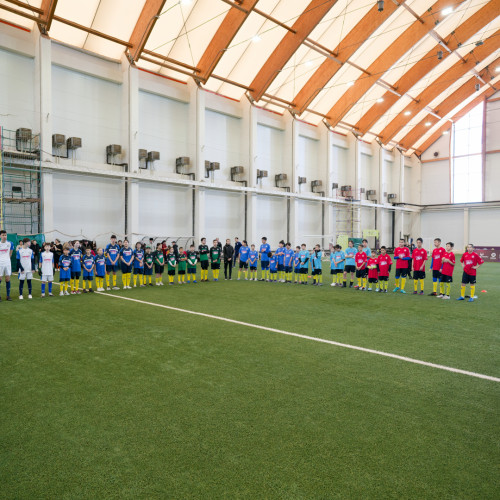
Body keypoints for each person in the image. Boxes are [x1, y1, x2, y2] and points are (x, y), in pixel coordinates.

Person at [0, 229, 13, 301]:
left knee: (7, 278)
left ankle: (8, 296)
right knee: (0, 279)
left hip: (7, 263)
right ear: (0, 236)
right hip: (0, 263)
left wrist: (7, 259)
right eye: (3, 235)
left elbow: (10, 253)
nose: (4, 236)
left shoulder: (10, 243)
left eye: (5, 235)